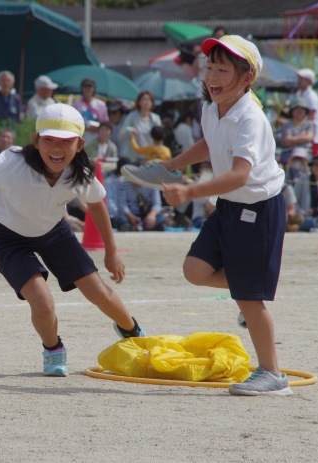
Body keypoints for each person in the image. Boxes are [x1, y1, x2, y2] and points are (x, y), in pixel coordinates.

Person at [121, 35, 292, 396]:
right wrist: (170, 165)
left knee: (249, 297)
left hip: (258, 209)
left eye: (222, 70)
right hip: (231, 205)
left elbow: (240, 174)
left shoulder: (251, 118)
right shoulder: (211, 107)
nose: (211, 76)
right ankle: (252, 285)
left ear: (246, 78)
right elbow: (209, 145)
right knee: (194, 270)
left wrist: (189, 191)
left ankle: (273, 375)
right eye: (209, 68)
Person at [0, 103, 146, 377]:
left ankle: (134, 333)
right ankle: (53, 349)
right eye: (49, 139)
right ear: (36, 141)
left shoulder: (80, 171)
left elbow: (97, 204)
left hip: (54, 232)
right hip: (9, 238)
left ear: (79, 145)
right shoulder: (11, 163)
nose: (57, 148)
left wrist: (111, 251)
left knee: (98, 291)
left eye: (66, 141)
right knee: (42, 301)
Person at [113, 159, 167, 231]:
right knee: (120, 219)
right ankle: (140, 228)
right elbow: (121, 205)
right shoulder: (122, 182)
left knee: (161, 218)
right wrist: (131, 217)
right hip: (129, 215)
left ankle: (138, 228)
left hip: (146, 215)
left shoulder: (152, 182)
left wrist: (152, 215)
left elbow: (157, 204)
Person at [118, 91, 161, 163]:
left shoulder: (156, 119)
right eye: (144, 99)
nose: (147, 102)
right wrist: (130, 131)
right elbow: (121, 135)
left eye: (149, 100)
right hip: (134, 157)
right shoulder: (132, 116)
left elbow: (160, 136)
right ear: (139, 102)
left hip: (150, 157)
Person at [277, 97, 314, 165]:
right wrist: (302, 136)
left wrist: (293, 138)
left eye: (302, 109)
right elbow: (286, 141)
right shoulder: (287, 124)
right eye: (297, 109)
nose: (299, 111)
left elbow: (308, 138)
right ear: (292, 111)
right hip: (288, 153)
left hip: (305, 153)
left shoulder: (309, 124)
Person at [73, 78, 108, 144]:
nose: (87, 89)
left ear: (94, 89)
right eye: (85, 87)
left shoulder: (101, 105)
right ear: (82, 88)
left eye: (90, 87)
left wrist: (98, 129)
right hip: (82, 138)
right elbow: (73, 123)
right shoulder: (76, 104)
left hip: (97, 140)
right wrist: (87, 128)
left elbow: (105, 123)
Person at [295, 68, 318, 155]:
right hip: (301, 131)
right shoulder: (299, 93)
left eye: (302, 79)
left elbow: (312, 114)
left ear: (308, 81)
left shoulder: (312, 96)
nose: (299, 81)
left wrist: (305, 129)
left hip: (312, 132)